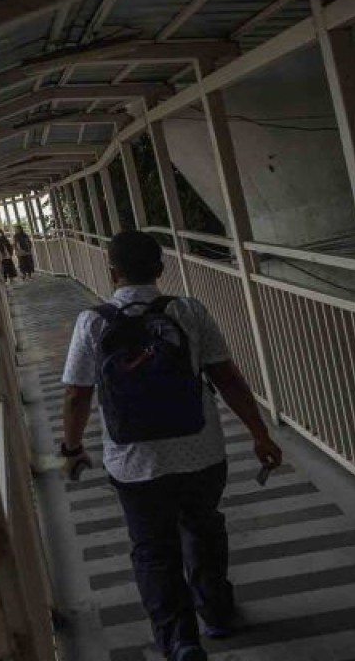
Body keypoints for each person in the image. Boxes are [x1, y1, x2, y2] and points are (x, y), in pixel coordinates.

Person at [58, 230, 282, 661]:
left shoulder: (92, 321)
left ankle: (180, 641)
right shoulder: (188, 310)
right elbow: (227, 377)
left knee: (154, 550)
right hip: (201, 451)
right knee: (203, 528)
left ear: (111, 272)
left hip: (134, 462)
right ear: (160, 270)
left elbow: (75, 395)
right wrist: (260, 433)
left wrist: (72, 449)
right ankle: (216, 612)